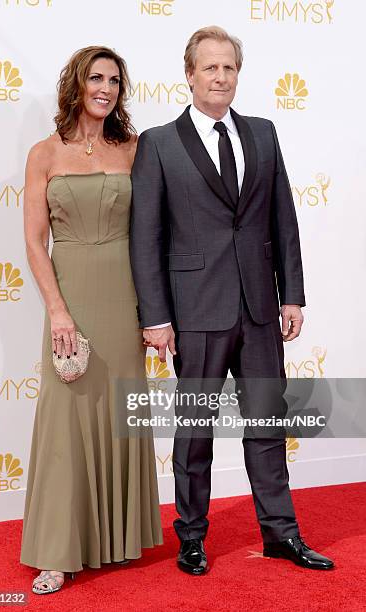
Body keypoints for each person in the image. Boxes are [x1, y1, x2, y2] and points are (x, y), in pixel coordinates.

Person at [130, 26, 334, 575]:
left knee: (268, 424)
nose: (220, 76)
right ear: (190, 74)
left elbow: (282, 219)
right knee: (194, 432)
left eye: (229, 68)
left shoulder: (263, 134)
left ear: (237, 74)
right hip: (194, 312)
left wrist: (291, 294)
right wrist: (156, 316)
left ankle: (281, 535)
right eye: (210, 67)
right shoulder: (159, 143)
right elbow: (145, 237)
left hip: (260, 310)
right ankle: (192, 538)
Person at [20, 46, 163, 595]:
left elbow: (151, 235)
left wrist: (156, 313)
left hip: (125, 295)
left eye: (114, 80)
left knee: (119, 415)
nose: (106, 87)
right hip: (71, 290)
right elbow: (35, 241)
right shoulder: (43, 154)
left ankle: (113, 539)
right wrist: (57, 310)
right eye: (96, 78)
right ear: (77, 85)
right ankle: (58, 550)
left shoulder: (134, 149)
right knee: (66, 420)